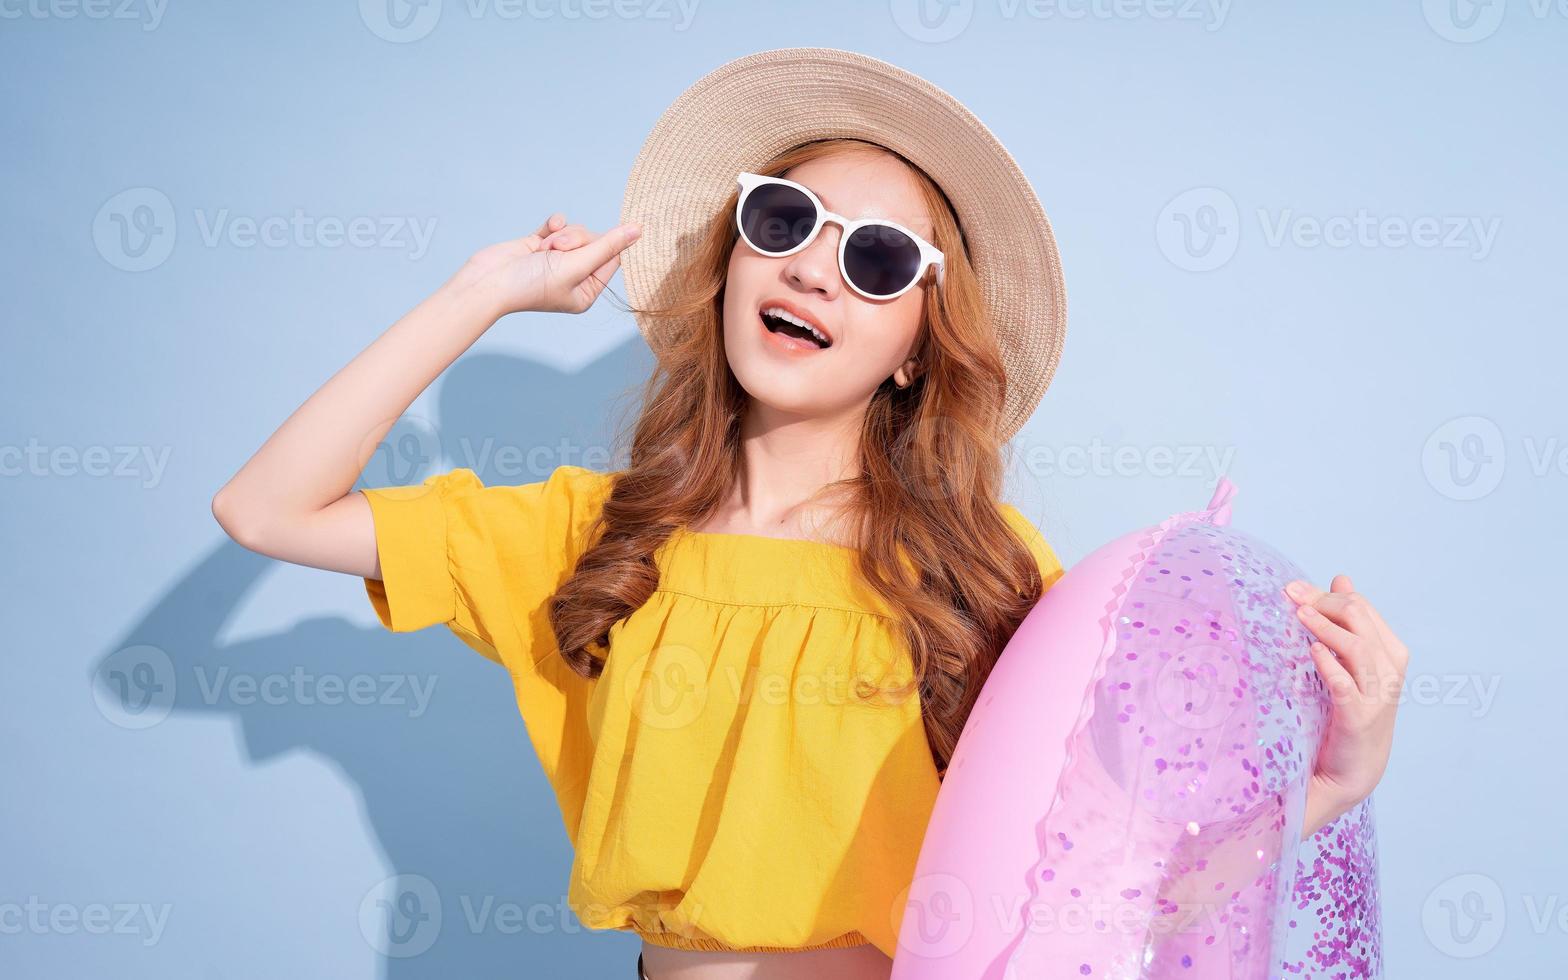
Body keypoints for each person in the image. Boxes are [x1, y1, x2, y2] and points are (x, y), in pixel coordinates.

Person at [212, 48, 1406, 980]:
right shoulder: (591, 539)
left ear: (911, 350)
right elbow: (264, 507)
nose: (813, 268)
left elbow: (1116, 880)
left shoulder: (980, 575)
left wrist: (1332, 783)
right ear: (731, 259)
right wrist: (480, 294)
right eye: (782, 220)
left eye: (878, 258)